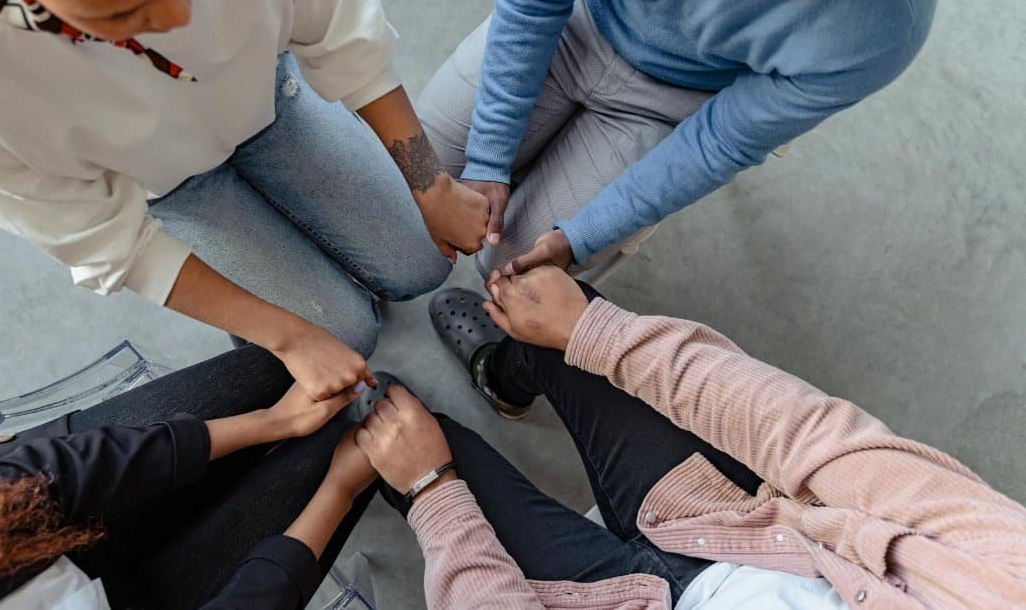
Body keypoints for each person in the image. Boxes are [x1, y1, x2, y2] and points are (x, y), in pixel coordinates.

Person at [0, 0, 491, 402]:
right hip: (168, 190)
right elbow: (110, 242)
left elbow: (339, 22)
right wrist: (288, 337)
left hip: (272, 102)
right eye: (126, 11)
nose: (180, 14)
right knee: (339, 333)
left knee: (419, 259)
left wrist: (429, 181)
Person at [353, 269, 1026, 608]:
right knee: (571, 335)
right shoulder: (1009, 574)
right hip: (747, 529)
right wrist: (597, 330)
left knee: (403, 440)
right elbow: (812, 435)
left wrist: (434, 494)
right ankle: (505, 373)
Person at [418, 0, 938, 277]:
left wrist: (583, 235)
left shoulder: (887, 15)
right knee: (415, 183)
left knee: (520, 270)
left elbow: (719, 143)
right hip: (577, 11)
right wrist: (489, 153)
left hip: (676, 103)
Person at [0, 346, 380, 609]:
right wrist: (338, 488)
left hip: (47, 527)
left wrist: (271, 422)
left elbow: (56, 476)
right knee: (327, 459)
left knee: (271, 374)